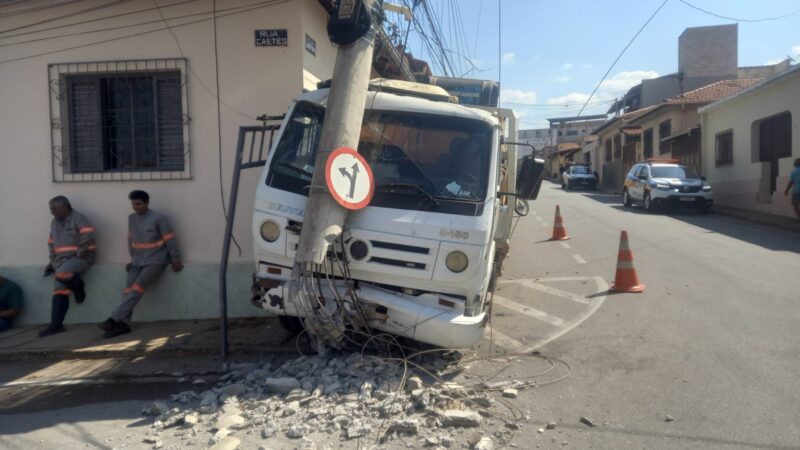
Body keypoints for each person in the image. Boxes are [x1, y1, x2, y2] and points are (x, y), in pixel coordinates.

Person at [100, 190, 183, 338]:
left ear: (147, 203)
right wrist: (132, 260)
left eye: (138, 203)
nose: (135, 207)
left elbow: (170, 239)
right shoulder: (131, 218)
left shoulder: (159, 218)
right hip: (137, 261)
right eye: (133, 204)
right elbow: (131, 240)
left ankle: (113, 319)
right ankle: (124, 324)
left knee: (136, 288)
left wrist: (175, 258)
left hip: (156, 261)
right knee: (128, 290)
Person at [40, 196, 96, 337]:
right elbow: (51, 243)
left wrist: (78, 254)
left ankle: (78, 287)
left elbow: (88, 235)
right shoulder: (54, 222)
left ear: (65, 207)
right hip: (61, 261)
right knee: (59, 289)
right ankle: (56, 324)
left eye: (54, 209)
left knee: (61, 274)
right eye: (50, 209)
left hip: (81, 258)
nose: (51, 212)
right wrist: (52, 262)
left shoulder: (79, 218)